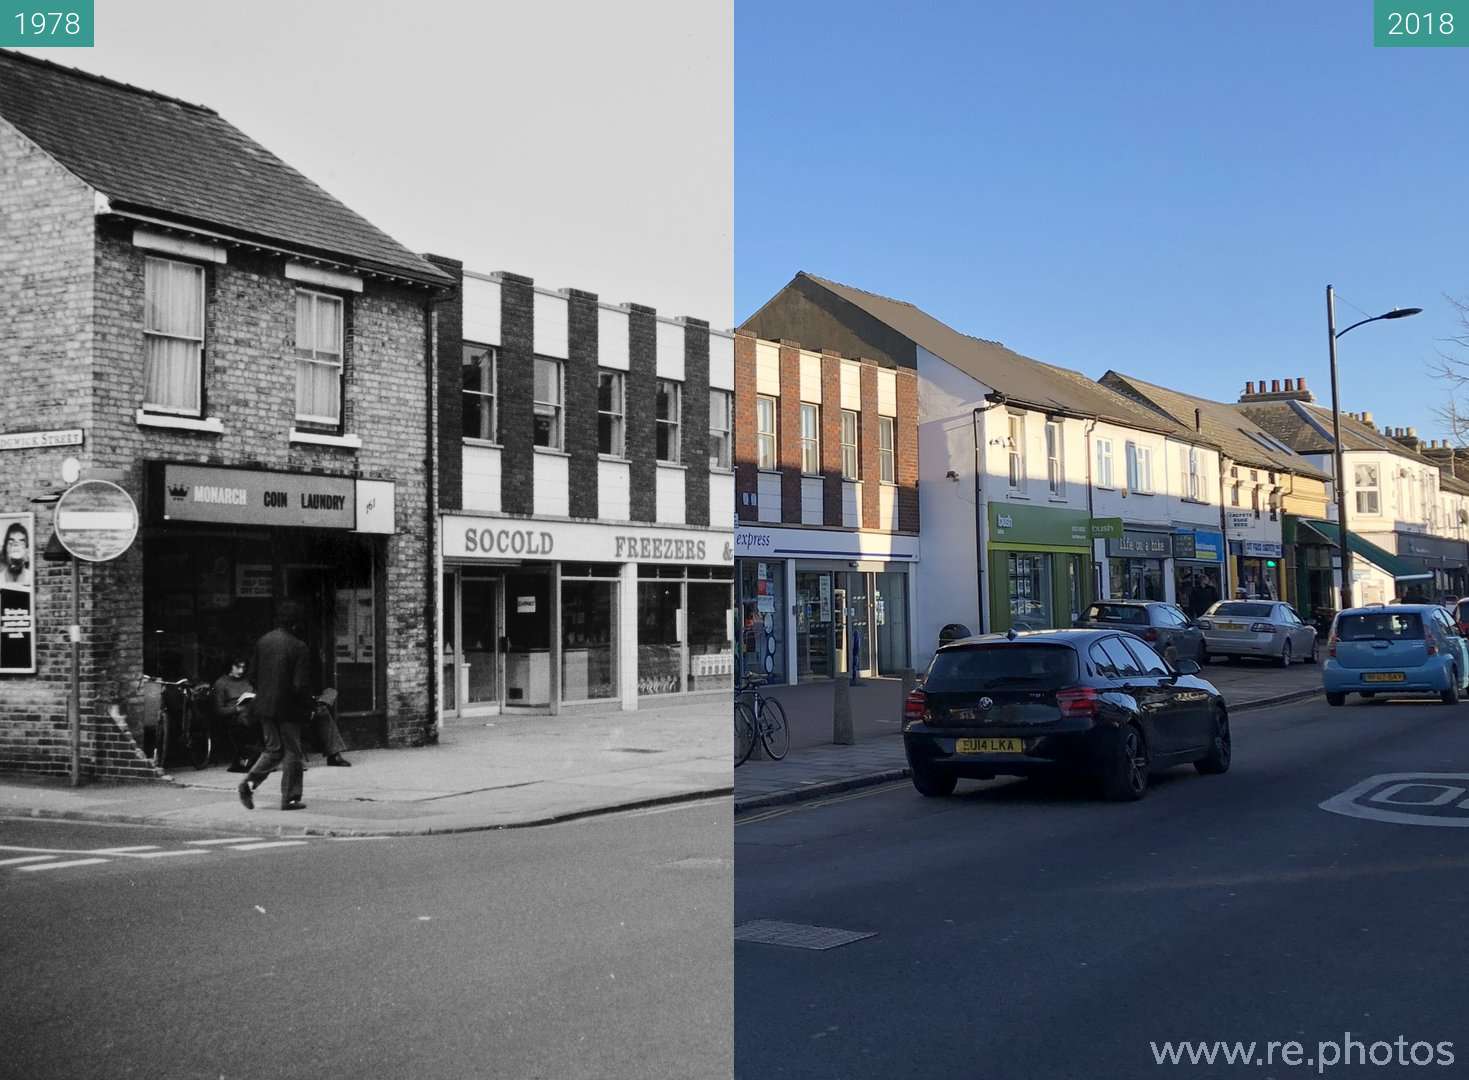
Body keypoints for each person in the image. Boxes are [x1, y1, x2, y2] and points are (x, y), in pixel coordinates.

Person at [238, 601, 312, 811]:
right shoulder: (299, 647)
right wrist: (309, 706)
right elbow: (299, 685)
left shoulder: (263, 641)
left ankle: (248, 784)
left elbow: (252, 675)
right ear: (296, 624)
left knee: (273, 749)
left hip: (263, 706)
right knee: (292, 753)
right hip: (288, 708)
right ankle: (289, 798)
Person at [211, 656, 257, 773]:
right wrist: (237, 709)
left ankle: (259, 758)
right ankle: (247, 759)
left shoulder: (247, 681)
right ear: (229, 666)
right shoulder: (221, 683)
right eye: (237, 667)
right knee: (247, 721)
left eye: (243, 667)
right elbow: (218, 710)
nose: (241, 671)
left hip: (251, 712)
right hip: (233, 717)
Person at [2, 522, 31, 589]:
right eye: (11, 543)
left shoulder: (31, 578)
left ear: (26, 550)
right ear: (5, 548)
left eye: (21, 543)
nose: (16, 549)